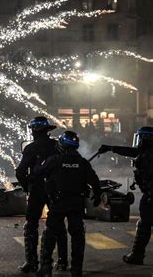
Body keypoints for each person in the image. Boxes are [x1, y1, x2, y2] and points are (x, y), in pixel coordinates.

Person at [36, 131, 102, 277]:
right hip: (76, 204)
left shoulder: (54, 160)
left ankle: (46, 267)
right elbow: (95, 182)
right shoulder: (83, 163)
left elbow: (39, 172)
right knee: (78, 236)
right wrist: (97, 195)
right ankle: (76, 269)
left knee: (50, 234)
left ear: (61, 144)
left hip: (58, 203)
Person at [16, 116, 68, 273]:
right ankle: (62, 261)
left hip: (37, 189)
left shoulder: (31, 148)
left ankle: (31, 262)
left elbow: (20, 172)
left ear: (33, 131)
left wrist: (26, 186)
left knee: (31, 224)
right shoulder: (57, 146)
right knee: (58, 225)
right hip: (56, 190)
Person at [98, 126, 153, 265]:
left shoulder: (148, 156)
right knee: (144, 224)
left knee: (144, 225)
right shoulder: (147, 153)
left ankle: (137, 255)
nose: (138, 142)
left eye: (141, 138)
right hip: (150, 196)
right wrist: (111, 148)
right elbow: (131, 151)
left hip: (151, 197)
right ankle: (137, 255)